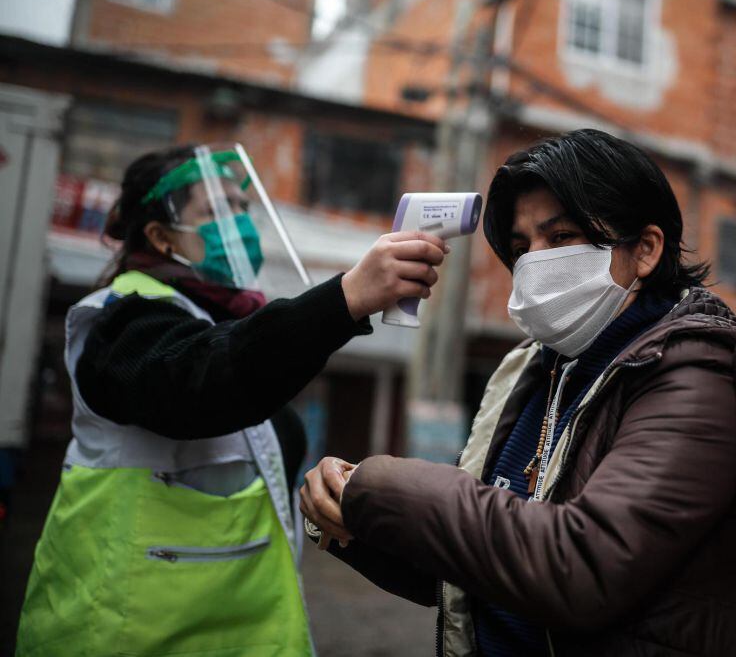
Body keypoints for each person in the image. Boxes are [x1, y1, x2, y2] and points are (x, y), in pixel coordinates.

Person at [301, 129, 736, 656]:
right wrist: (350, 520)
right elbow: (474, 570)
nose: (533, 262)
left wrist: (387, 487)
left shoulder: (706, 376)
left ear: (645, 250)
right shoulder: (530, 373)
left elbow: (583, 568)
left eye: (560, 237)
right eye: (520, 247)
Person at [16, 143, 449, 656]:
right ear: (160, 236)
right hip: (121, 631)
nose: (239, 222)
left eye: (242, 208)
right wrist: (346, 297)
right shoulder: (121, 320)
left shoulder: (222, 323)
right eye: (216, 210)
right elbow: (200, 382)